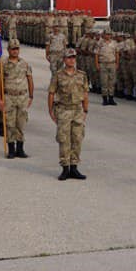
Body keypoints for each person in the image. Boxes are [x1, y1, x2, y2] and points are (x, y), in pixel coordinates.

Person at [49, 48, 89, 180]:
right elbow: (51, 93)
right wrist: (51, 110)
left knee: (77, 139)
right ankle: (65, 167)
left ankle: (74, 167)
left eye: (73, 57)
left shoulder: (81, 75)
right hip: (63, 110)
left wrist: (85, 110)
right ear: (64, 60)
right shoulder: (58, 75)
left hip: (77, 110)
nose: (72, 60)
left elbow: (85, 93)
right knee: (64, 139)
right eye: (69, 57)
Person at [0, 38, 35, 157]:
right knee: (9, 124)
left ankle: (20, 148)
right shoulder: (3, 64)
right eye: (13, 49)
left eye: (17, 49)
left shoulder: (24, 64)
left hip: (22, 97)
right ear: (8, 50)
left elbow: (30, 79)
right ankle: (11, 149)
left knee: (21, 123)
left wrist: (31, 96)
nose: (15, 51)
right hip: (9, 97)